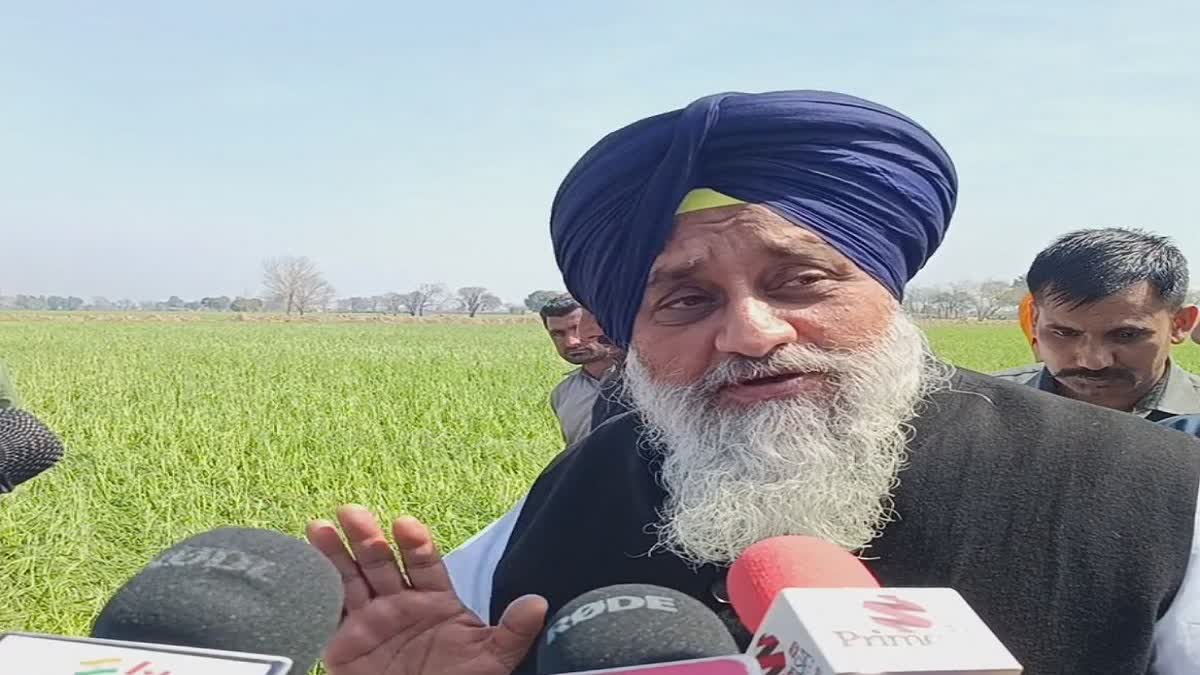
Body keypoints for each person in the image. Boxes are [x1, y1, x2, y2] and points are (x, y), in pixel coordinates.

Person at [305, 90, 1200, 675]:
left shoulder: (1160, 500)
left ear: (886, 290)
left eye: (800, 281)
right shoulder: (572, 491)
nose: (750, 332)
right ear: (632, 335)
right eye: (685, 300)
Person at [993, 228, 1200, 420]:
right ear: (1035, 320)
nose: (1093, 362)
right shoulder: (980, 408)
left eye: (1126, 335)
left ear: (1180, 324)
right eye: (1064, 333)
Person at [538, 294, 617, 446]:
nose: (571, 342)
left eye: (578, 329)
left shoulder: (650, 384)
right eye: (558, 334)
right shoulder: (563, 394)